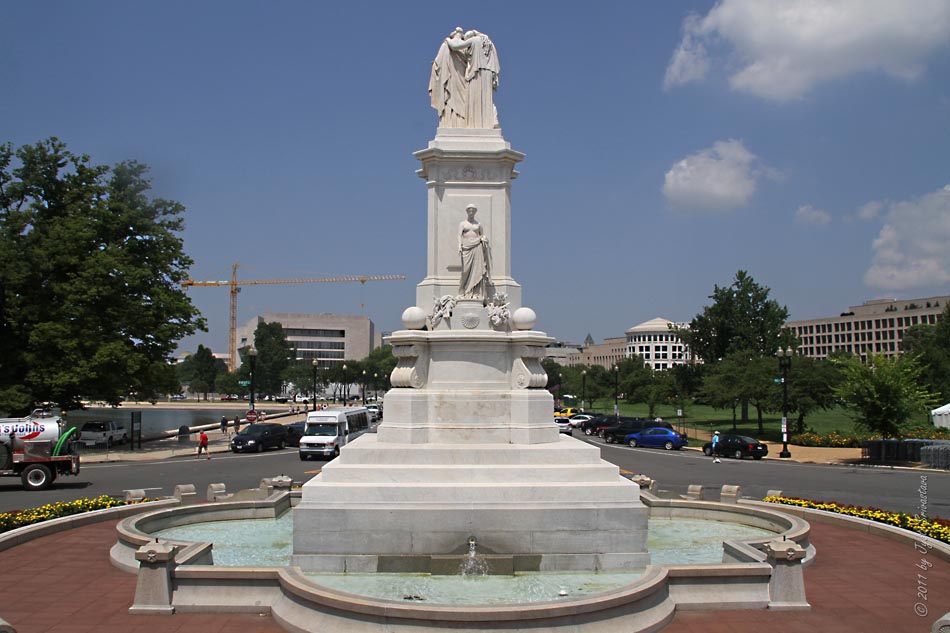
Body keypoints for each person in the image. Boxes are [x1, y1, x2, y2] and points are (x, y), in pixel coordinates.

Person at [430, 28, 500, 129]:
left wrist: (448, 40)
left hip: (476, 74)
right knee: (487, 99)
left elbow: (455, 46)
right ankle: (492, 120)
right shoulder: (490, 44)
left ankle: (479, 123)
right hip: (487, 75)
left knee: (475, 99)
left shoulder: (475, 40)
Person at [458, 204, 492, 299]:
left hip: (477, 247)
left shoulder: (478, 224)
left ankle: (475, 292)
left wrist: (484, 239)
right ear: (467, 211)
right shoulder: (463, 224)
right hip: (466, 248)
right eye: (469, 210)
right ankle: (462, 290)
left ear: (475, 212)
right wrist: (459, 246)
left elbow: (482, 235)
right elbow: (459, 235)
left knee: (477, 270)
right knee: (465, 271)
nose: (471, 212)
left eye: (473, 210)